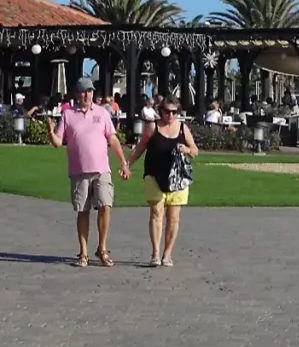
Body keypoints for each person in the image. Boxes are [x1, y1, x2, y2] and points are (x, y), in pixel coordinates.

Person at [46, 76, 131, 268]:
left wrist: (124, 163)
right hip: (79, 171)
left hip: (102, 170)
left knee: (105, 205)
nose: (88, 95)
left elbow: (113, 140)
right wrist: (51, 133)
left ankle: (102, 249)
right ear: (78, 93)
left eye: (90, 91)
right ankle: (83, 253)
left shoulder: (102, 113)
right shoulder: (68, 115)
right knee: (82, 211)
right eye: (84, 91)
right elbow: (59, 142)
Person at [127, 95, 198, 267]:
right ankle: (155, 253)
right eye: (167, 112)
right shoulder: (152, 127)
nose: (170, 116)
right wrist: (127, 164)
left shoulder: (182, 128)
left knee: (173, 217)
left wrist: (186, 149)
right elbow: (141, 147)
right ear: (161, 111)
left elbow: (195, 150)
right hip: (154, 175)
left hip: (177, 179)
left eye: (174, 112)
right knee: (156, 213)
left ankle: (167, 254)